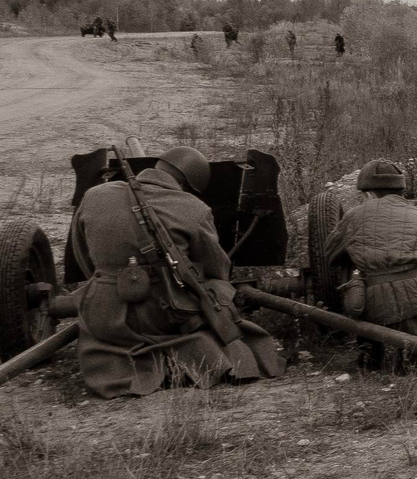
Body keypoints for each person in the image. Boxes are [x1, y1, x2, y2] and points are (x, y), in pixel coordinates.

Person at [64, 147, 282, 398]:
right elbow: (217, 269)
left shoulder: (93, 196)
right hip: (161, 317)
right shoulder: (194, 208)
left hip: (101, 316)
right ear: (187, 185)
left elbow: (83, 256)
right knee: (216, 294)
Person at [318, 160, 417, 364]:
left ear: (368, 194)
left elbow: (328, 258)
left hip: (375, 312)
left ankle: (370, 347)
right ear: (400, 193)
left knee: (348, 260)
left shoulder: (354, 217)